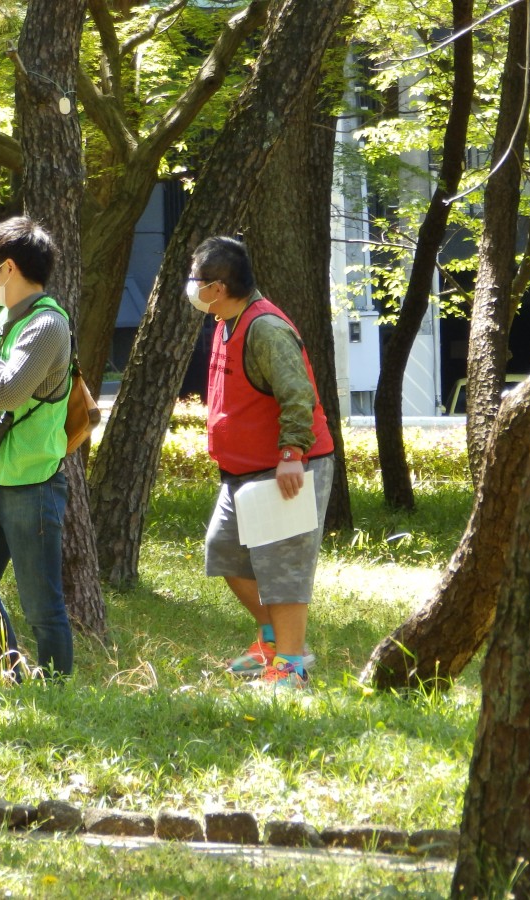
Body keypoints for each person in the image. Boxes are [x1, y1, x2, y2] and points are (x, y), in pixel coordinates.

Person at [188, 235, 334, 689]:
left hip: (286, 469)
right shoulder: (223, 321)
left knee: (283, 571)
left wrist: (292, 455)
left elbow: (298, 395)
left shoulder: (266, 328)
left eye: (196, 279)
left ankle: (292, 666)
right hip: (241, 472)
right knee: (225, 553)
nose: (190, 287)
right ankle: (272, 639)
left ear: (217, 286)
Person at [0, 216, 74, 678]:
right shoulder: (6, 317)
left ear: (7, 268)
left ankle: (56, 695)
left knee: (44, 607)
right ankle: (9, 673)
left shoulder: (46, 325)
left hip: (33, 484)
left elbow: (5, 391)